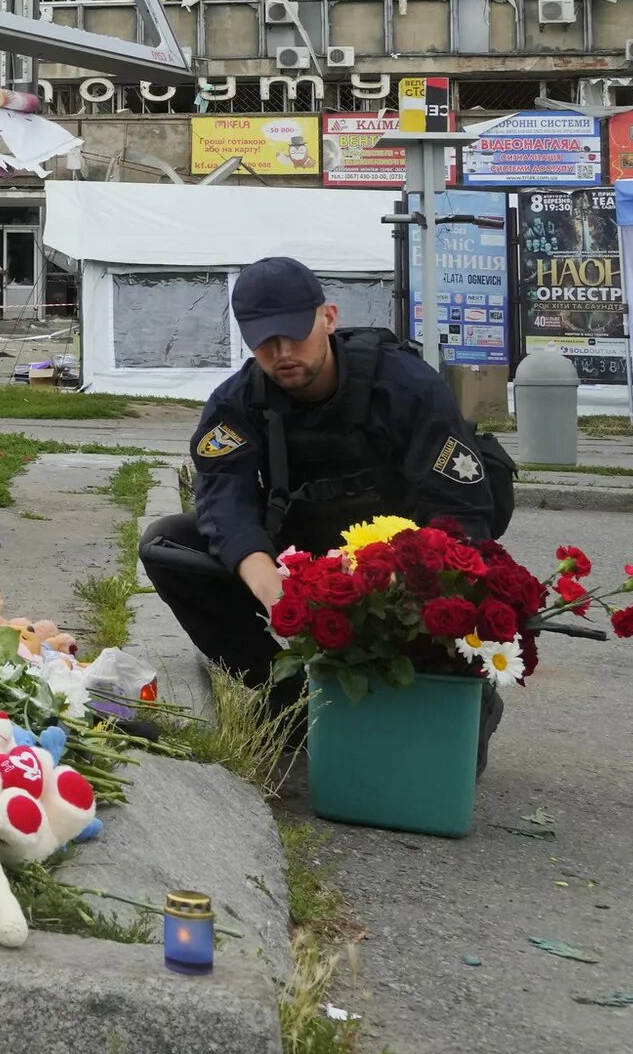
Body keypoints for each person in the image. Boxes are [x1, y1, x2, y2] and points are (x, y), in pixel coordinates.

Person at [139, 257, 516, 734]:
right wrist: (271, 589)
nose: (281, 353)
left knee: (464, 582)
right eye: (263, 341)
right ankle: (291, 698)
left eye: (294, 333)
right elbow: (223, 502)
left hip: (399, 570)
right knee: (167, 545)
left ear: (329, 318)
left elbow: (460, 513)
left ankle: (447, 693)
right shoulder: (237, 402)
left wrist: (408, 594)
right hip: (296, 561)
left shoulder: (407, 387)